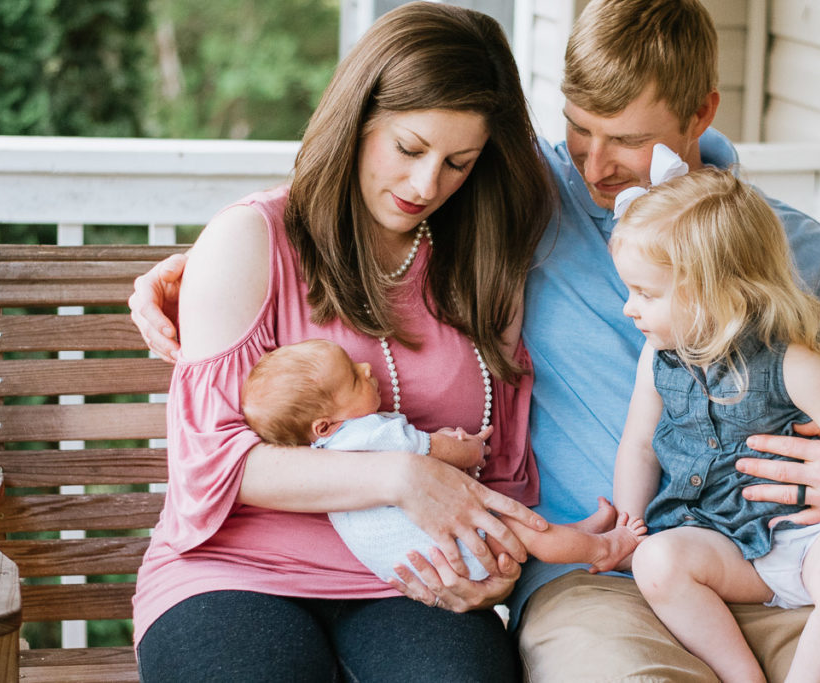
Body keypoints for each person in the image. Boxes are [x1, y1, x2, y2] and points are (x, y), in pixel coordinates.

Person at [132, 0, 820, 680]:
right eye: (580, 128)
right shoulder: (532, 200)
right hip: (608, 581)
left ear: (701, 113)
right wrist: (200, 269)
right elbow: (346, 207)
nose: (594, 164)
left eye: (628, 140)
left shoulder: (795, 250)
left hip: (810, 568)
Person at [130, 4, 559, 681]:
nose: (427, 185)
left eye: (458, 162)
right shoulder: (253, 239)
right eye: (410, 149)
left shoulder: (484, 265)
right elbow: (211, 464)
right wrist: (400, 474)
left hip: (411, 577)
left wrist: (499, 565)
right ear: (357, 120)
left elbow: (495, 473)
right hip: (235, 569)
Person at [611, 164, 820, 682]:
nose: (630, 308)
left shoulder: (794, 362)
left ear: (715, 293)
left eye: (646, 294)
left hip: (809, 539)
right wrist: (627, 528)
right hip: (718, 542)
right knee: (656, 563)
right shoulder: (658, 359)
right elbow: (640, 446)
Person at [241, 338, 645, 583]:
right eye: (351, 377)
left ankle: (577, 533)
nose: (365, 367)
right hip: (446, 547)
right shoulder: (364, 434)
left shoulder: (325, 458)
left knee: (522, 529)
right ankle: (602, 550)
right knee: (524, 531)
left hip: (414, 563)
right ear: (324, 426)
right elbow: (435, 450)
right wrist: (472, 448)